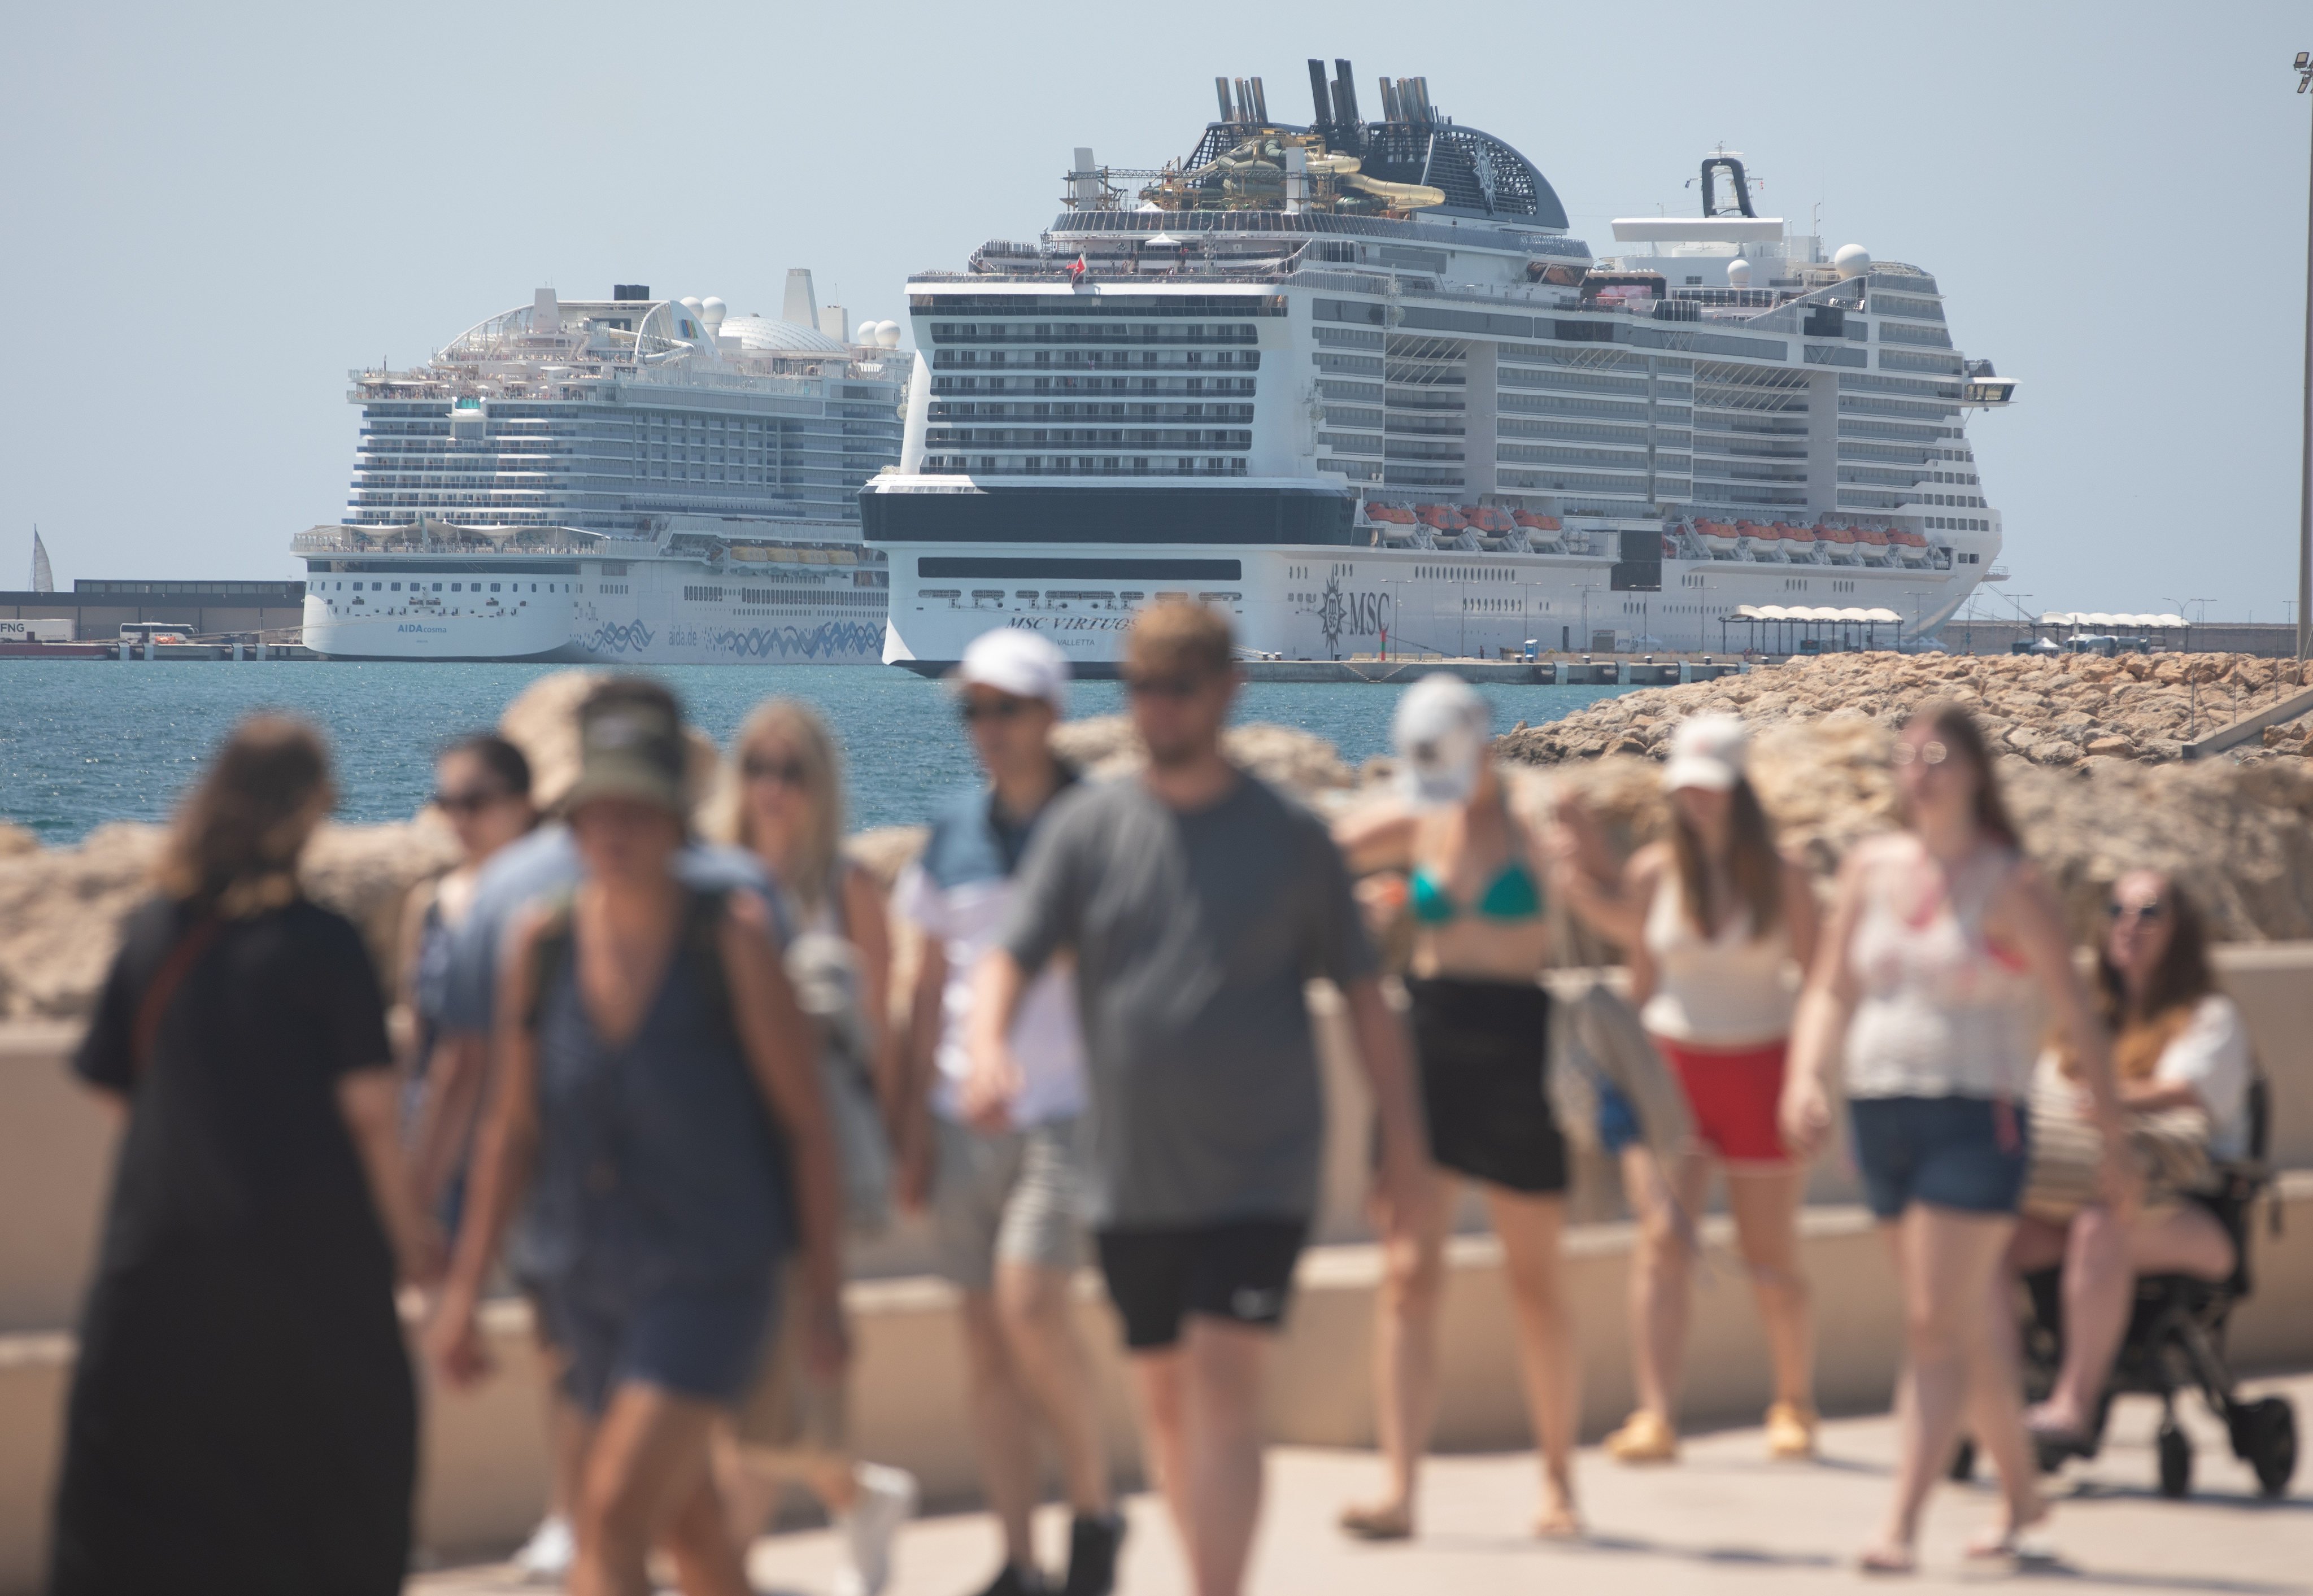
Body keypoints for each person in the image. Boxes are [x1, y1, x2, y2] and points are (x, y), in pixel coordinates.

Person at [967, 602, 1428, 1596]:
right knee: (1168, 1407)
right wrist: (984, 1048)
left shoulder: (1294, 837)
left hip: (1262, 1168)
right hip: (1132, 1175)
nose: (1158, 709)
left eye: (1179, 688)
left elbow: (1364, 996)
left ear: (1227, 692)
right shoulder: (1090, 828)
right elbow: (1009, 959)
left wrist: (1402, 1144)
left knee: (1224, 1387)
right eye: (1141, 687)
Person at [429, 681, 848, 1596]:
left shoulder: (729, 941)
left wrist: (823, 1295)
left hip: (710, 1277)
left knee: (610, 1515)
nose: (614, 831)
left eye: (637, 810)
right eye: (596, 812)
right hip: (587, 1280)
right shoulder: (539, 945)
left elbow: (805, 1124)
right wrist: (463, 1292)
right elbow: (508, 1129)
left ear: (677, 822)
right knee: (692, 1533)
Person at [50, 715, 437, 1595]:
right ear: (306, 809)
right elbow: (373, 1115)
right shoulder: (321, 944)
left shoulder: (153, 931)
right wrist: (412, 1237)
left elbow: (115, 1088)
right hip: (310, 1270)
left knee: (154, 1512)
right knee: (327, 1501)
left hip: (159, 1266)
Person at [1783, 703, 2129, 1573]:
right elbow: (1828, 986)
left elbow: (2076, 1010)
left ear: (1974, 771)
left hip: (1974, 1121)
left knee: (1931, 1322)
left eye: (1937, 755)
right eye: (1907, 756)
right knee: (1963, 1320)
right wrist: (1801, 1077)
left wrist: (2115, 1138)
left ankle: (1898, 1522)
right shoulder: (1867, 867)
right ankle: (2021, 1493)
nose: (1920, 771)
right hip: (1880, 1116)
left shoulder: (2009, 883)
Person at [892, 630, 1121, 1596]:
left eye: (1007, 709)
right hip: (956, 1116)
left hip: (1066, 1114)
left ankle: (1096, 1507)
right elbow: (922, 982)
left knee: (1032, 1306)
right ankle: (1020, 1557)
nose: (988, 729)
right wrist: (907, 1121)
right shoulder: (950, 831)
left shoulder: (1100, 824)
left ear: (1053, 714)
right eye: (974, 710)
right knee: (985, 1350)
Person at [1329, 674, 1583, 1540]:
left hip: (1513, 1048)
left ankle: (1557, 1482)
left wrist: (1591, 867)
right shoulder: (1418, 817)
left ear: (1483, 743)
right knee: (1405, 1276)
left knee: (1532, 1281)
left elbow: (1608, 911)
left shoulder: (1536, 828)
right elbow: (1319, 854)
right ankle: (1398, 1489)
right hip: (1427, 1049)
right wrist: (1361, 906)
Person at [1553, 714, 1821, 1465]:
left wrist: (1811, 1078)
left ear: (1737, 789)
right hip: (1673, 1077)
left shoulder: (1785, 874)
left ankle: (1793, 1401)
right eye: (1686, 790)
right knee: (1661, 1244)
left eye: (1709, 789)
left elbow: (1823, 978)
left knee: (1768, 1254)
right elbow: (1640, 984)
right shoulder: (1650, 874)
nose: (1696, 802)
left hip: (1760, 1072)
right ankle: (1654, 1414)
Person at [712, 697, 918, 1596]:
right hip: (715, 1163)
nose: (771, 787)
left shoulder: (848, 890)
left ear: (820, 785)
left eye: (791, 770)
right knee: (744, 1381)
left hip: (809, 1166)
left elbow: (883, 1039)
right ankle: (857, 1496)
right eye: (756, 765)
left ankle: (722, 1568)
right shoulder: (711, 884)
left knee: (758, 1374)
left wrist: (900, 1148)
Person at [2007, 870, 2250, 1453]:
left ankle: (2073, 1409)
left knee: (2102, 1222)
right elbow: (2049, 1102)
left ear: (2180, 931)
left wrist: (2102, 1100)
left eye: (2148, 913)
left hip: (2192, 1213)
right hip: (2083, 1193)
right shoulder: (2082, 1026)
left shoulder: (2209, 1018)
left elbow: (2183, 1092)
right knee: (1988, 1230)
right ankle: (1999, 1389)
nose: (2128, 925)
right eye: (2117, 909)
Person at [401, 733, 538, 1235]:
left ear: (524, 805)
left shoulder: (548, 910)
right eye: (447, 804)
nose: (460, 820)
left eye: (475, 803)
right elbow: (419, 1037)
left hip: (521, 1149)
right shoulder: (430, 905)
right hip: (440, 1136)